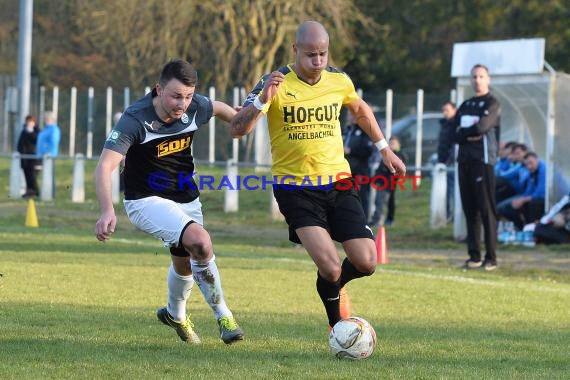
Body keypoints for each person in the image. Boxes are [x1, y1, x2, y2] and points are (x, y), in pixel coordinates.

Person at [229, 21, 406, 331]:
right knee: (330, 265)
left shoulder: (338, 80)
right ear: (295, 50)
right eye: (311, 54)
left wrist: (383, 148)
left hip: (338, 182)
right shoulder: (273, 82)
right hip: (296, 189)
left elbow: (360, 110)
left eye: (323, 54)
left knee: (366, 261)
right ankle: (337, 328)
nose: (318, 61)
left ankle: (335, 285)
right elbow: (237, 129)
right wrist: (262, 100)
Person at [94, 59, 244, 345]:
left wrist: (240, 118)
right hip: (145, 199)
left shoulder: (195, 106)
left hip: (186, 196)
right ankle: (223, 315)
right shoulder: (135, 119)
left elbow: (222, 109)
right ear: (159, 89)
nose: (183, 104)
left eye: (188, 96)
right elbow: (104, 166)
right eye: (176, 96)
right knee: (200, 241)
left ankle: (176, 313)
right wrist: (106, 210)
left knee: (185, 261)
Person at [453, 63, 500, 271]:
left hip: (483, 162)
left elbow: (483, 127)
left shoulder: (493, 103)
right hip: (464, 161)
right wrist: (468, 133)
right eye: (474, 77)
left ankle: (491, 258)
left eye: (481, 76)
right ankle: (474, 256)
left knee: (486, 210)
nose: (477, 80)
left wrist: (469, 131)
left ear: (488, 79)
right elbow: (453, 132)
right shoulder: (466, 105)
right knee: (469, 210)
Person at [497, 151, 546, 231]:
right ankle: (523, 228)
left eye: (531, 163)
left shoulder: (544, 169)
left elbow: (541, 193)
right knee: (511, 206)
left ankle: (532, 229)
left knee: (532, 204)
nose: (529, 166)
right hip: (530, 197)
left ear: (537, 159)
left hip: (550, 199)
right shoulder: (532, 172)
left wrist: (523, 200)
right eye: (526, 165)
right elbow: (528, 191)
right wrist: (520, 200)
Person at [369, 136, 407, 227]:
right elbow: (380, 169)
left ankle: (380, 220)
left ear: (399, 145)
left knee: (384, 202)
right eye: (390, 143)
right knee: (378, 202)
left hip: (389, 184)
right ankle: (377, 219)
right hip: (382, 183)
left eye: (393, 144)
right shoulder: (386, 156)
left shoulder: (399, 155)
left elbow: (397, 167)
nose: (391, 145)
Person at [343, 112, 375, 219]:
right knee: (346, 197)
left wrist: (351, 150)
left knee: (361, 197)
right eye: (349, 115)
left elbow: (368, 150)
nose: (350, 117)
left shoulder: (364, 130)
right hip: (346, 171)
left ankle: (364, 221)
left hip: (361, 171)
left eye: (352, 115)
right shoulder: (347, 130)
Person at [436, 101, 457, 221]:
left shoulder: (454, 124)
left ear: (454, 110)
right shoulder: (444, 124)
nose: (444, 113)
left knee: (451, 189)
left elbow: (454, 145)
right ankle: (447, 213)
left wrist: (449, 160)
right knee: (445, 190)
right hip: (442, 162)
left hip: (450, 163)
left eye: (447, 110)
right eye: (443, 110)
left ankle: (452, 214)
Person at [16, 115, 40, 198]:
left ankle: (35, 192)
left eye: (31, 121)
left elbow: (36, 140)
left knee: (32, 176)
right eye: (28, 121)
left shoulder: (37, 131)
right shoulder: (23, 132)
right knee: (27, 176)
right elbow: (20, 144)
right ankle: (29, 192)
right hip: (24, 158)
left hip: (33, 158)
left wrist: (31, 132)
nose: (29, 123)